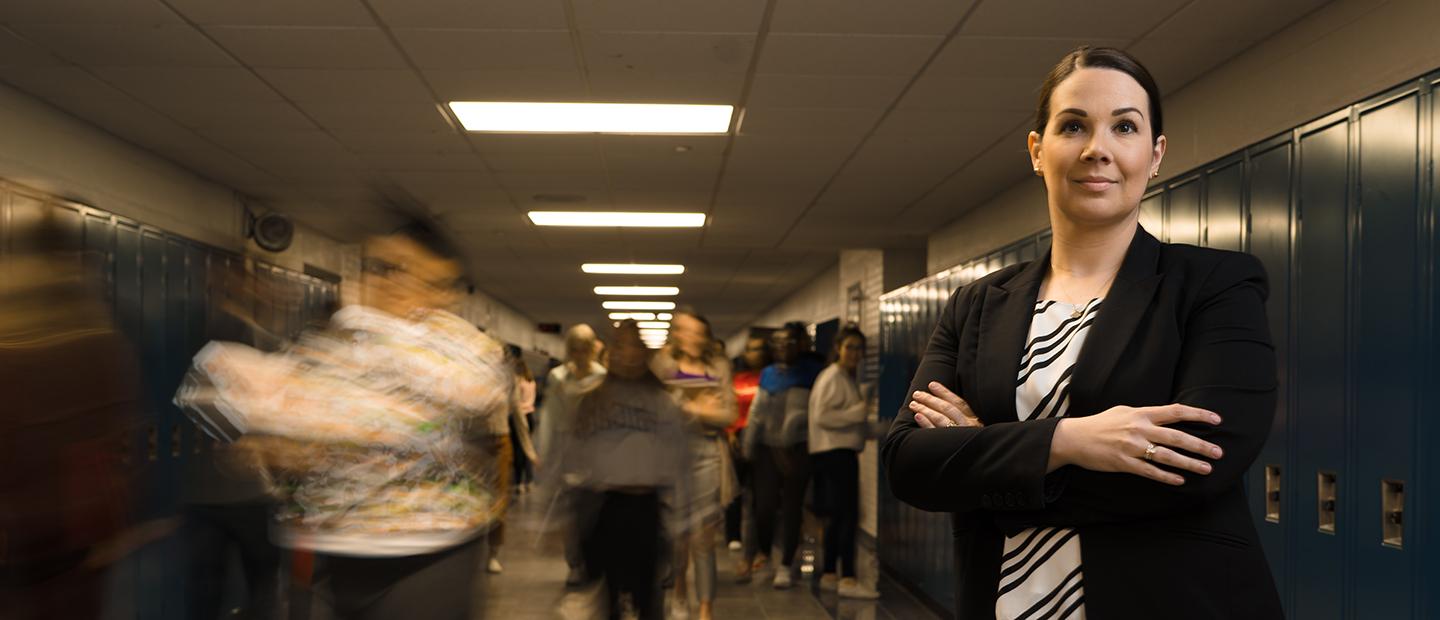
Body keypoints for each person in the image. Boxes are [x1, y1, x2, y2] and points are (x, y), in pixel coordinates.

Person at [881, 46, 1282, 619]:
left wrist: (986, 457)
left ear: (1155, 153)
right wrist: (1071, 440)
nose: (1098, 149)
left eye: (1124, 126)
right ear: (1037, 151)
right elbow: (909, 461)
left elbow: (1198, 462)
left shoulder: (1214, 286)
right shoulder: (976, 305)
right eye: (1073, 126)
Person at [176, 224, 512, 619]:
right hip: (323, 551)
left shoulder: (459, 347)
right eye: (376, 267)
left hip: (424, 552)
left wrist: (319, 414)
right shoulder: (332, 345)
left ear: (441, 287)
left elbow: (466, 388)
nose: (386, 281)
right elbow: (211, 386)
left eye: (403, 269)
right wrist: (264, 440)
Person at [180, 258, 284, 619]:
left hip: (207, 495)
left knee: (207, 589)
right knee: (262, 584)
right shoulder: (253, 338)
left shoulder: (199, 330)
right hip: (247, 493)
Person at [567, 321, 689, 620]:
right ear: (610, 352)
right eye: (620, 345)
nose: (627, 353)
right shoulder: (591, 399)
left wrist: (685, 516)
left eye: (635, 345)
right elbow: (569, 454)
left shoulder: (662, 402)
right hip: (602, 506)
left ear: (645, 353)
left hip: (645, 507)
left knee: (647, 597)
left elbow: (681, 460)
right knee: (607, 597)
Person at [650, 309, 736, 620]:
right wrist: (697, 407)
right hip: (671, 457)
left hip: (709, 456)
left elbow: (728, 415)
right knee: (678, 537)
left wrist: (691, 410)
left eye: (699, 332)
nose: (694, 338)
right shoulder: (662, 365)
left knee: (704, 537)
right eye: (687, 331)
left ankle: (706, 609)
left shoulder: (718, 366)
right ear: (677, 333)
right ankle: (680, 592)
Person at [739, 322, 823, 587]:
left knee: (791, 508)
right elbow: (756, 414)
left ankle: (786, 563)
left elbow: (817, 413)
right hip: (766, 449)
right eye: (776, 344)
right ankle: (765, 550)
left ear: (798, 345)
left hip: (799, 448)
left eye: (787, 343)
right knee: (763, 508)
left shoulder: (813, 373)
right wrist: (748, 448)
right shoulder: (767, 374)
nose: (781, 349)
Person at [807, 325, 879, 599]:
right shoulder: (833, 377)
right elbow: (823, 417)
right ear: (838, 347)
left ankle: (830, 573)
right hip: (834, 455)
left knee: (839, 515)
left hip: (838, 453)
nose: (855, 354)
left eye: (860, 348)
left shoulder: (843, 377)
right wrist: (860, 412)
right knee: (845, 515)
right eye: (850, 347)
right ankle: (846, 577)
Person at [535, 323, 607, 586]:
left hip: (594, 448)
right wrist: (545, 452)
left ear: (591, 349)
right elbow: (551, 418)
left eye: (583, 349)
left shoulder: (601, 376)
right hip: (566, 449)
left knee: (593, 510)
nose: (579, 354)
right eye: (574, 349)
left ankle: (592, 560)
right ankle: (574, 563)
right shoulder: (558, 376)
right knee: (569, 510)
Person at [724, 334, 770, 552]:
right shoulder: (737, 379)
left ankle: (761, 543)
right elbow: (730, 408)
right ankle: (733, 535)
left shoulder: (769, 378)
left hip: (763, 440)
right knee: (736, 490)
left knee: (761, 493)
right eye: (752, 349)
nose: (756, 354)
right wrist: (731, 434)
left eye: (760, 349)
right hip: (739, 437)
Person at [509, 349, 539, 495]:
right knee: (527, 447)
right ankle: (529, 480)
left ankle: (518, 482)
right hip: (531, 415)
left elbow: (514, 402)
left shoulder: (517, 381)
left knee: (518, 450)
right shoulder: (531, 382)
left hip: (519, 417)